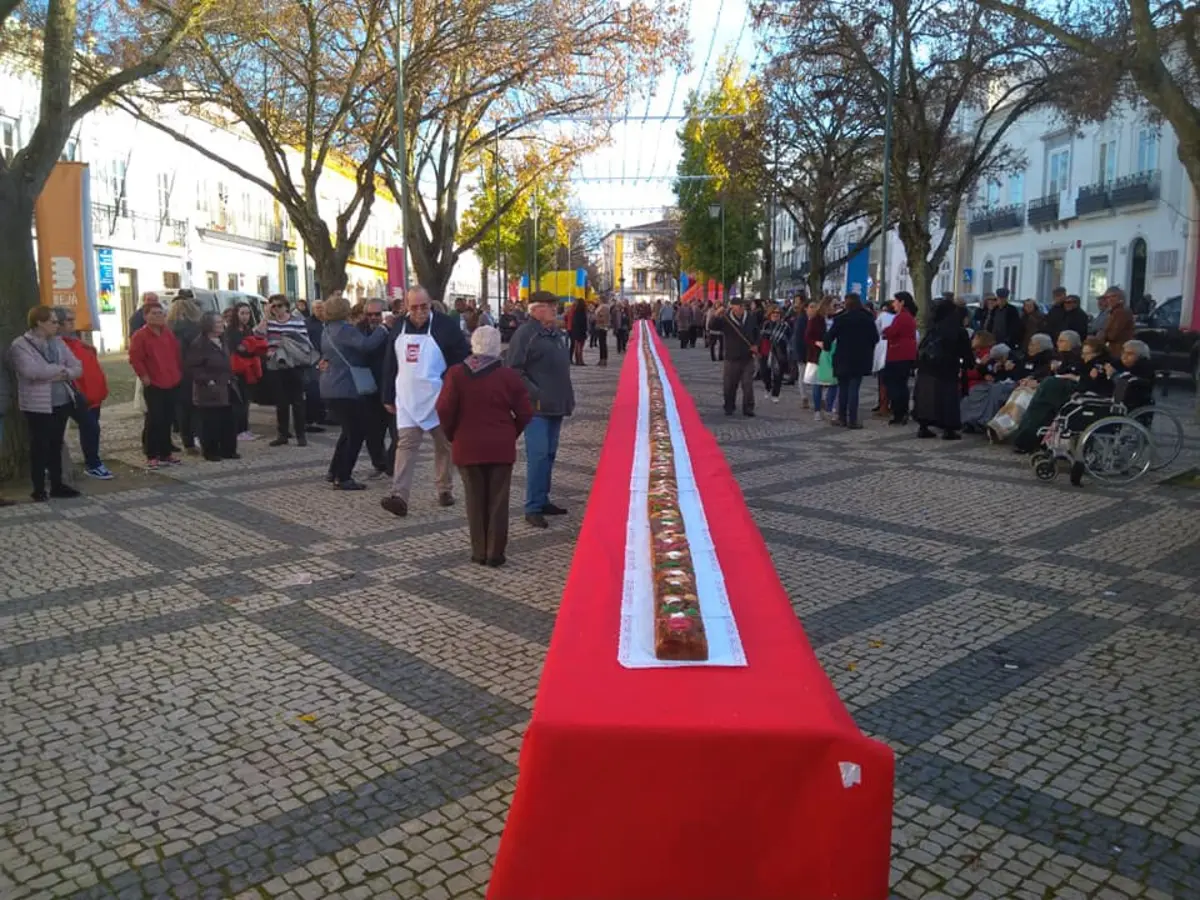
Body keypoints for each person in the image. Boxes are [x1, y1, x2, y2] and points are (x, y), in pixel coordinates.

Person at [437, 326, 533, 566]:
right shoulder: (508, 376)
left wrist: (453, 434)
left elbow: (444, 409)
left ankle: (479, 551)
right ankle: (495, 553)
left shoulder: (456, 374)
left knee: (474, 498)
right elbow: (525, 411)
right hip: (500, 446)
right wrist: (511, 431)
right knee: (499, 501)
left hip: (467, 445)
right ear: (497, 346)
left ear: (473, 345)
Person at [380, 286, 470, 516]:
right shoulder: (398, 326)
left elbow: (462, 356)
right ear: (405, 307)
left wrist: (448, 380)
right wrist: (387, 395)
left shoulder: (445, 326)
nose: (420, 311)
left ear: (431, 304)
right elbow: (391, 361)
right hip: (407, 396)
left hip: (438, 397)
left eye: (424, 306)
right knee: (406, 445)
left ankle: (444, 488)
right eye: (414, 307)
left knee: (444, 444)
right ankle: (399, 495)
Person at [507, 290, 575, 528]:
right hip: (536, 407)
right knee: (537, 455)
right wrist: (535, 393)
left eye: (554, 305)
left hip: (556, 404)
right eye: (549, 305)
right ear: (535, 309)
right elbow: (514, 369)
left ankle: (542, 498)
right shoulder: (526, 334)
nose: (555, 309)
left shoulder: (554, 333)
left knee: (549, 454)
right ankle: (532, 507)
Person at [8, 307, 83, 500]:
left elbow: (76, 366)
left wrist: (62, 373)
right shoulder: (21, 345)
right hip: (37, 404)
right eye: (53, 322)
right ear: (39, 323)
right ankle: (39, 488)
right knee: (39, 445)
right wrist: (60, 370)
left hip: (62, 400)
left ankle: (58, 485)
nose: (57, 325)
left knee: (56, 444)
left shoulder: (58, 342)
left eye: (57, 322)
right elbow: (31, 372)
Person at [320, 295, 391, 490]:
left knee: (348, 431)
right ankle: (343, 477)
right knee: (355, 433)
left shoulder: (326, 331)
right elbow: (366, 345)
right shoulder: (345, 329)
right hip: (346, 387)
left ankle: (334, 470)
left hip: (329, 386)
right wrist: (384, 328)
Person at [53, 307, 112, 479]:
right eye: (69, 320)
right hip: (76, 395)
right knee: (90, 427)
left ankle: (92, 462)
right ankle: (92, 463)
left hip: (92, 395)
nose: (73, 323)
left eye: (73, 319)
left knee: (91, 429)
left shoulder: (78, 343)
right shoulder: (58, 345)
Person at [129, 303, 183, 469]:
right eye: (154, 313)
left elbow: (176, 353)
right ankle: (151, 453)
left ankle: (166, 452)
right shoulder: (140, 336)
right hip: (154, 382)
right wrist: (144, 376)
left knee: (168, 419)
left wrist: (178, 373)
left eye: (161, 313)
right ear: (146, 316)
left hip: (171, 380)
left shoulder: (167, 333)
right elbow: (135, 358)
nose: (159, 316)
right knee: (155, 419)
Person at [913, 298, 973, 440]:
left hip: (926, 368)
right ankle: (948, 429)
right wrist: (968, 365)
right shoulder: (957, 330)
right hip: (947, 369)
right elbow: (966, 353)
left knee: (926, 397)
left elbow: (922, 347)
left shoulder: (932, 328)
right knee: (948, 398)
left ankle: (924, 426)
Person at [184, 312, 239, 462]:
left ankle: (228, 449)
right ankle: (211, 451)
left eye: (222, 322)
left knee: (227, 419)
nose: (222, 325)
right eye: (218, 323)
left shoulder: (223, 341)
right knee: (210, 422)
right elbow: (193, 367)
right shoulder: (199, 344)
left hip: (226, 385)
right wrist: (208, 381)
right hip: (209, 388)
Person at [262, 294, 317, 446]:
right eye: (273, 306)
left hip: (294, 365)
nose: (276, 309)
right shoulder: (270, 323)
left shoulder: (297, 321)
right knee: (281, 402)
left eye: (279, 305)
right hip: (276, 365)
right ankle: (283, 434)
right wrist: (266, 317)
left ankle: (301, 435)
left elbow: (304, 342)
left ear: (286, 306)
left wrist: (287, 342)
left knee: (298, 401)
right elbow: (259, 335)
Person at [823, 293, 878, 429]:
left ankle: (842, 418)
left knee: (843, 389)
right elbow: (875, 338)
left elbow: (828, 337)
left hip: (843, 356)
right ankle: (852, 420)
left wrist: (827, 348)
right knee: (854, 389)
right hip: (860, 357)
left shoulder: (841, 318)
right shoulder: (867, 318)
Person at [225, 302, 267, 441]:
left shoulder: (247, 329)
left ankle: (244, 428)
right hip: (237, 369)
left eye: (247, 313)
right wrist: (252, 347)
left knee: (245, 400)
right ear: (236, 314)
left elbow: (252, 347)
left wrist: (252, 346)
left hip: (249, 369)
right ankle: (238, 430)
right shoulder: (232, 331)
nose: (245, 316)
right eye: (242, 313)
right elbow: (241, 349)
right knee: (239, 401)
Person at [167, 292, 202, 453]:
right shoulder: (194, 328)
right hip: (192, 371)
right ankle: (195, 438)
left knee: (181, 408)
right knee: (195, 406)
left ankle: (187, 440)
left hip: (174, 372)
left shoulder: (168, 329)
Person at [713, 297, 760, 417]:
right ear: (731, 307)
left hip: (747, 357)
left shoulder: (750, 318)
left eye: (740, 307)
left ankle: (748, 407)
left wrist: (755, 345)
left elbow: (757, 333)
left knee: (747, 384)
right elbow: (712, 326)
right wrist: (716, 315)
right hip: (731, 357)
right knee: (729, 385)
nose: (738, 309)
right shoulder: (726, 318)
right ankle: (729, 406)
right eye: (735, 307)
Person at [881, 292, 918, 425]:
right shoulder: (908, 316)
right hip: (906, 354)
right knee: (901, 384)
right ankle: (902, 412)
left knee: (894, 384)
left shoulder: (902, 317)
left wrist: (885, 330)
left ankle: (899, 412)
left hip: (898, 353)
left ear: (902, 302)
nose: (893, 303)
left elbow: (892, 331)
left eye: (895, 301)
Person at [804, 299, 837, 420]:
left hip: (832, 354)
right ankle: (817, 410)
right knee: (817, 383)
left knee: (834, 382)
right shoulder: (816, 319)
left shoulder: (836, 319)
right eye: (834, 305)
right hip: (817, 355)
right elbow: (807, 337)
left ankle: (829, 408)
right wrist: (817, 343)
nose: (835, 308)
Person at [758, 306, 791, 404]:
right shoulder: (765, 324)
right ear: (770, 314)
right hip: (766, 351)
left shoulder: (785, 326)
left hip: (779, 352)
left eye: (778, 313)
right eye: (773, 312)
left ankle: (775, 394)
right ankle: (768, 388)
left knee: (778, 374)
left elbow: (789, 339)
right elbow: (760, 338)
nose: (776, 314)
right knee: (764, 372)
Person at [1100, 287, 1135, 357]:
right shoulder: (1114, 311)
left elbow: (1113, 334)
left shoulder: (1120, 312)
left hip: (1119, 350)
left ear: (1120, 297)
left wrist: (1102, 334)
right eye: (1107, 297)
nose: (1110, 299)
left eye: (1114, 296)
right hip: (1116, 348)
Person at [568, 297, 588, 366]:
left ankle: (578, 360)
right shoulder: (582, 311)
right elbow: (583, 322)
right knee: (579, 347)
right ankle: (580, 360)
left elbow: (574, 321)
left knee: (577, 346)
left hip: (575, 330)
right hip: (580, 330)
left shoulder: (575, 310)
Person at [593, 297, 611, 367]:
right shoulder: (603, 307)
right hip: (602, 327)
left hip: (602, 327)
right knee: (602, 344)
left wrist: (596, 318)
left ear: (601, 300)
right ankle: (602, 359)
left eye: (598, 300)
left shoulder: (604, 307)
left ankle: (603, 360)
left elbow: (603, 318)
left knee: (602, 344)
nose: (597, 301)